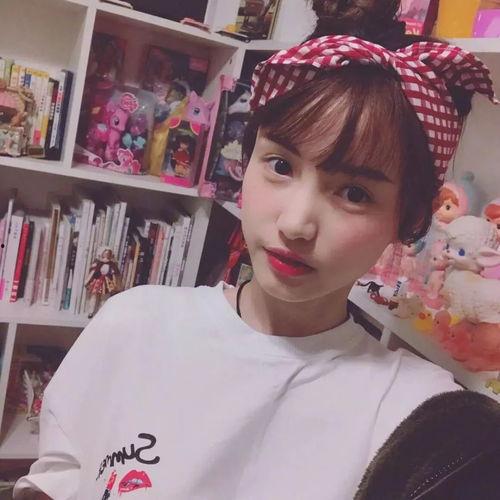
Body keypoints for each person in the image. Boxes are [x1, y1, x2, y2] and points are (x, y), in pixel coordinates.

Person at [14, 1, 498, 499]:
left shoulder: (418, 420)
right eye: (280, 165)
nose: (295, 223)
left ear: (410, 218)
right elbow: (61, 470)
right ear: (246, 160)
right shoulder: (134, 324)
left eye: (354, 193)